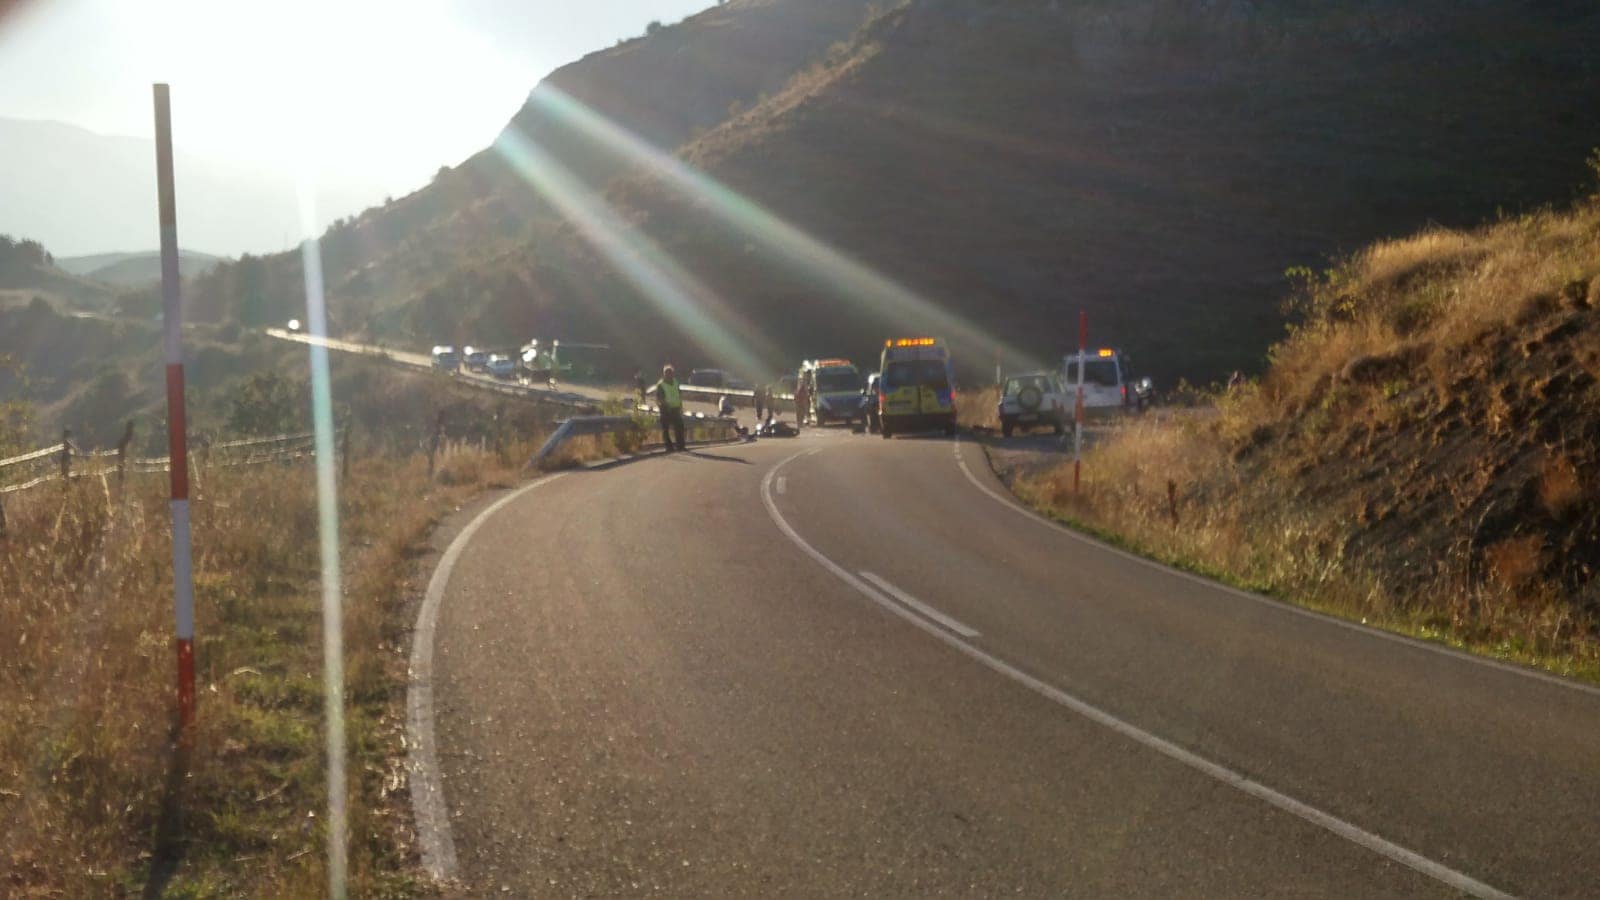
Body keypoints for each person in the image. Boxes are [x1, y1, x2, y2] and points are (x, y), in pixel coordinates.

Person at [653, 365, 687, 451]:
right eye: (667, 373)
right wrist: (664, 406)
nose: (669, 375)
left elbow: (679, 394)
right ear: (664, 374)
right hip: (665, 409)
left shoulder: (675, 382)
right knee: (666, 429)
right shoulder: (661, 385)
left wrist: (680, 405)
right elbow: (659, 398)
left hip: (675, 408)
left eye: (671, 373)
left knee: (679, 427)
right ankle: (669, 446)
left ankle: (680, 446)